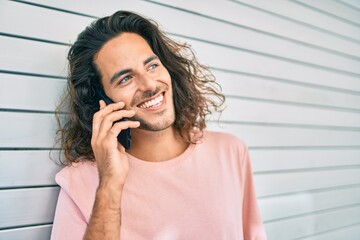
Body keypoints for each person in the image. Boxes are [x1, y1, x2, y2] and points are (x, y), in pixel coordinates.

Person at [51, 10, 267, 240]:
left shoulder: (230, 152)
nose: (150, 84)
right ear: (101, 100)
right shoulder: (79, 182)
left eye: (152, 65)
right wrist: (109, 186)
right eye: (125, 78)